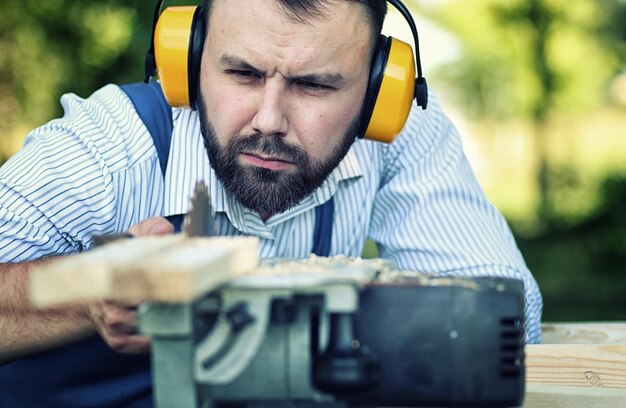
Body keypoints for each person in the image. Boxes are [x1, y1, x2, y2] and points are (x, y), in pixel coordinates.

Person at [0, 0, 542, 406]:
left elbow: (507, 317)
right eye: (242, 73)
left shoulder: (400, 134)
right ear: (188, 59)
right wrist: (88, 290)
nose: (269, 120)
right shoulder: (105, 147)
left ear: (378, 94)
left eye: (314, 85)